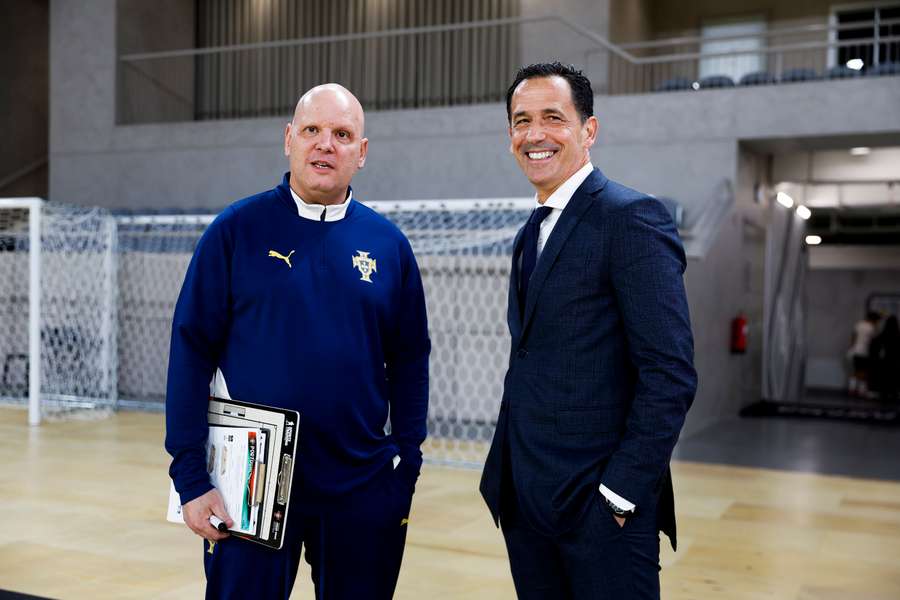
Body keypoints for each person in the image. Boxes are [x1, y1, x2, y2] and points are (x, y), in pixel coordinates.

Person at [165, 84, 430, 599]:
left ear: (362, 152)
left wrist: (406, 467)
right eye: (312, 130)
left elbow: (410, 359)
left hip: (360, 485)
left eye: (341, 134)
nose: (325, 144)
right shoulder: (236, 230)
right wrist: (190, 477)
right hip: (250, 485)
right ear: (289, 139)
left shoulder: (388, 246)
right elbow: (191, 349)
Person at [479, 62, 697, 600]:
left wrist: (619, 495)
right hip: (528, 502)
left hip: (599, 511)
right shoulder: (532, 230)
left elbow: (669, 374)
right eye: (521, 120)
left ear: (588, 130)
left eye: (553, 117)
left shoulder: (631, 218)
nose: (534, 134)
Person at [848, 311, 881, 398]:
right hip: (864, 352)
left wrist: (851, 348)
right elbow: (875, 339)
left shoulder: (859, 324)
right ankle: (861, 391)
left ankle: (852, 389)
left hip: (855, 351)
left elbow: (853, 337)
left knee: (856, 370)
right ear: (874, 320)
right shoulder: (872, 327)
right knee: (863, 372)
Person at [869, 314, 900, 401]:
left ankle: (884, 395)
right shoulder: (898, 335)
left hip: (884, 361)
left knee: (884, 379)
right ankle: (894, 394)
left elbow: (874, 346)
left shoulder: (882, 335)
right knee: (894, 379)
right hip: (895, 362)